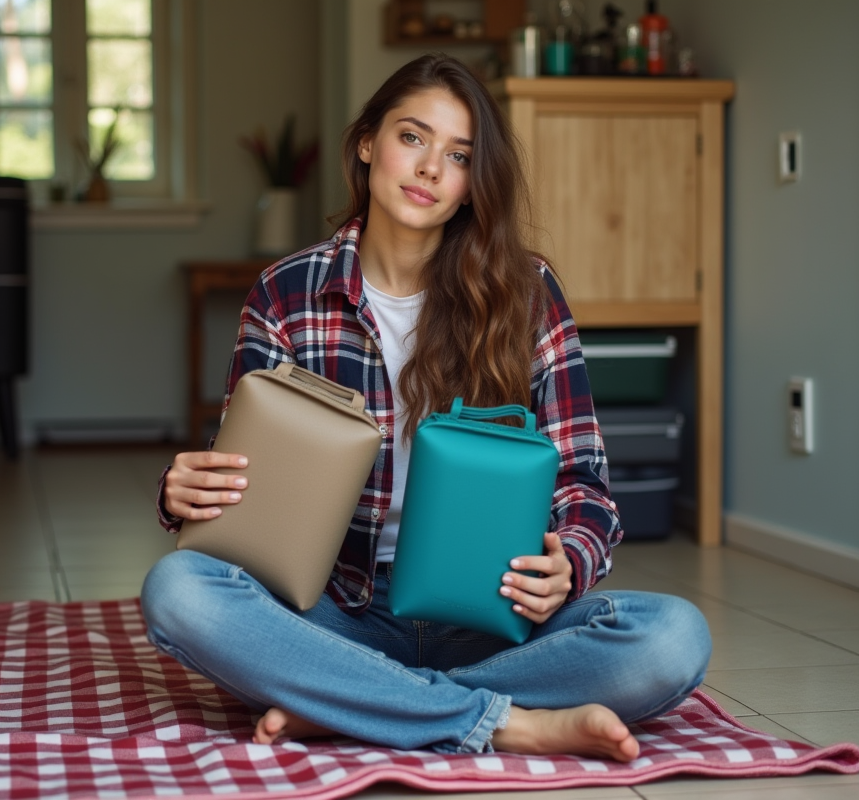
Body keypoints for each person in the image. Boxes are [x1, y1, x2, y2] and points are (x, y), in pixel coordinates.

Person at [141, 54, 710, 761]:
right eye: (413, 137)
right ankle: (502, 720)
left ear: (474, 185)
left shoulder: (527, 293)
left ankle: (355, 702)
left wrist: (574, 559)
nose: (430, 168)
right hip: (335, 611)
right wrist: (182, 492)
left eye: (459, 155)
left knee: (674, 636)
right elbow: (243, 487)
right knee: (178, 590)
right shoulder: (286, 293)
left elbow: (585, 483)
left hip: (492, 616)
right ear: (367, 143)